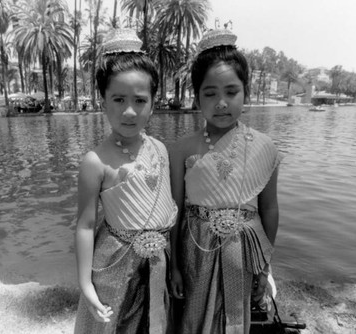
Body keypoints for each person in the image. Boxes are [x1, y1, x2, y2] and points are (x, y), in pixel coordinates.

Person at [169, 29, 283, 333]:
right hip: (196, 251)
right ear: (196, 97)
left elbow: (269, 210)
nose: (221, 103)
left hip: (242, 252)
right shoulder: (182, 149)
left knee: (234, 317)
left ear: (246, 91)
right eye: (210, 94)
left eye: (231, 92)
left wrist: (264, 264)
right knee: (194, 317)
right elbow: (175, 213)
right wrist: (175, 266)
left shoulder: (264, 147)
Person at [74, 28, 177, 334]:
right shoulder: (95, 161)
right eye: (118, 99)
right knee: (116, 325)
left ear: (154, 102)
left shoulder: (159, 149)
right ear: (103, 100)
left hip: (159, 260)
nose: (129, 111)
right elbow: (85, 225)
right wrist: (84, 282)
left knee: (155, 322)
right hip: (116, 263)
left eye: (140, 100)